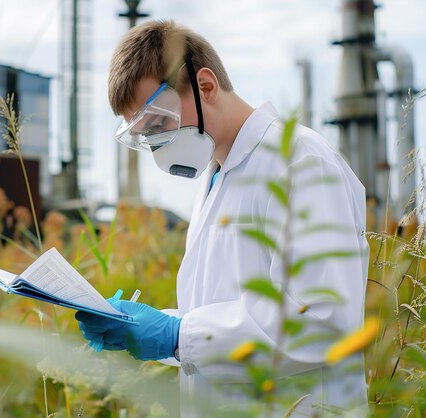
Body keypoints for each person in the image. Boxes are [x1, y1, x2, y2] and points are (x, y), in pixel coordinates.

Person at [75, 20, 369, 417]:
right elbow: (224, 309)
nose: (158, 144)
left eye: (160, 123)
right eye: (146, 135)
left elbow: (320, 318)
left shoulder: (299, 163)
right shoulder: (218, 175)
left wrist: (177, 335)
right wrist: (145, 325)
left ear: (206, 87)